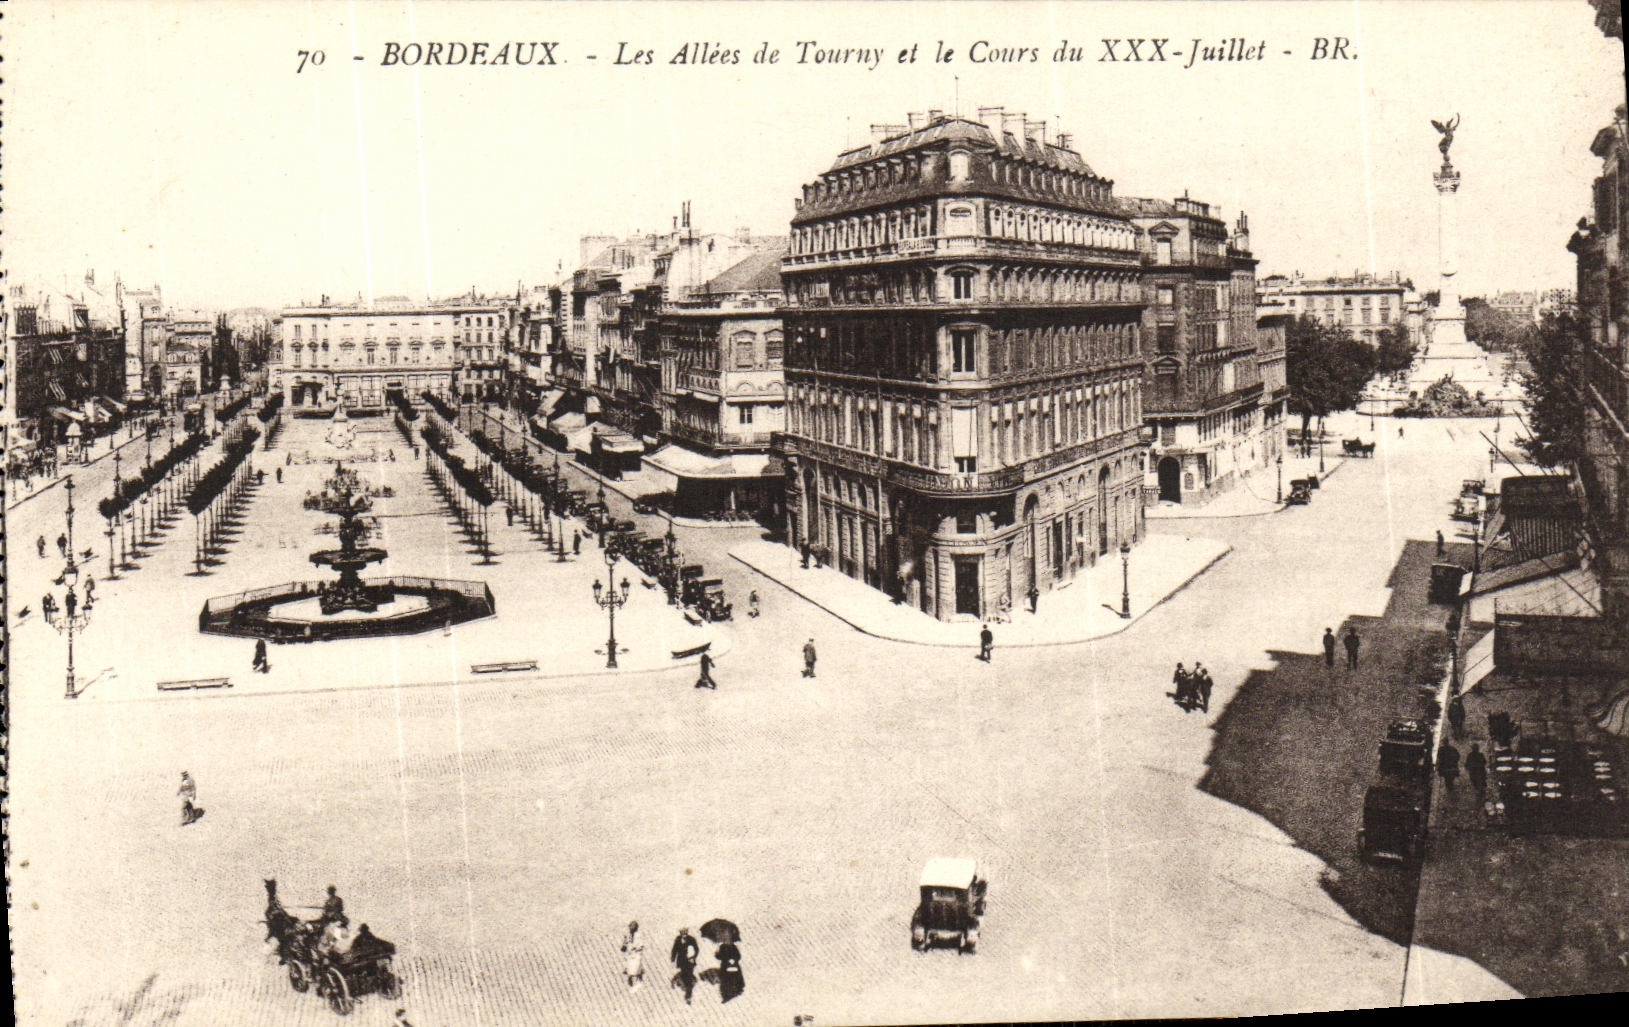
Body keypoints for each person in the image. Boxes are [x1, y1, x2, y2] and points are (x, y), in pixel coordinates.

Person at [670, 928, 699, 1005]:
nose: (684, 934)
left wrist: (693, 957)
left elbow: (696, 949)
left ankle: (688, 996)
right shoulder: (678, 939)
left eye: (685, 932)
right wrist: (673, 959)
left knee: (688, 978)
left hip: (690, 962)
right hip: (681, 961)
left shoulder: (691, 939)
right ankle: (681, 981)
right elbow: (674, 949)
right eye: (682, 933)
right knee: (684, 975)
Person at [620, 921, 645, 991]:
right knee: (630, 972)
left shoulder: (638, 935)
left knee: (637, 970)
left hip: (636, 955)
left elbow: (641, 946)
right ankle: (631, 985)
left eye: (632, 927)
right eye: (630, 927)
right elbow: (624, 946)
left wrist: (635, 947)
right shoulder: (628, 936)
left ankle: (639, 983)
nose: (630, 929)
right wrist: (625, 943)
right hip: (630, 955)